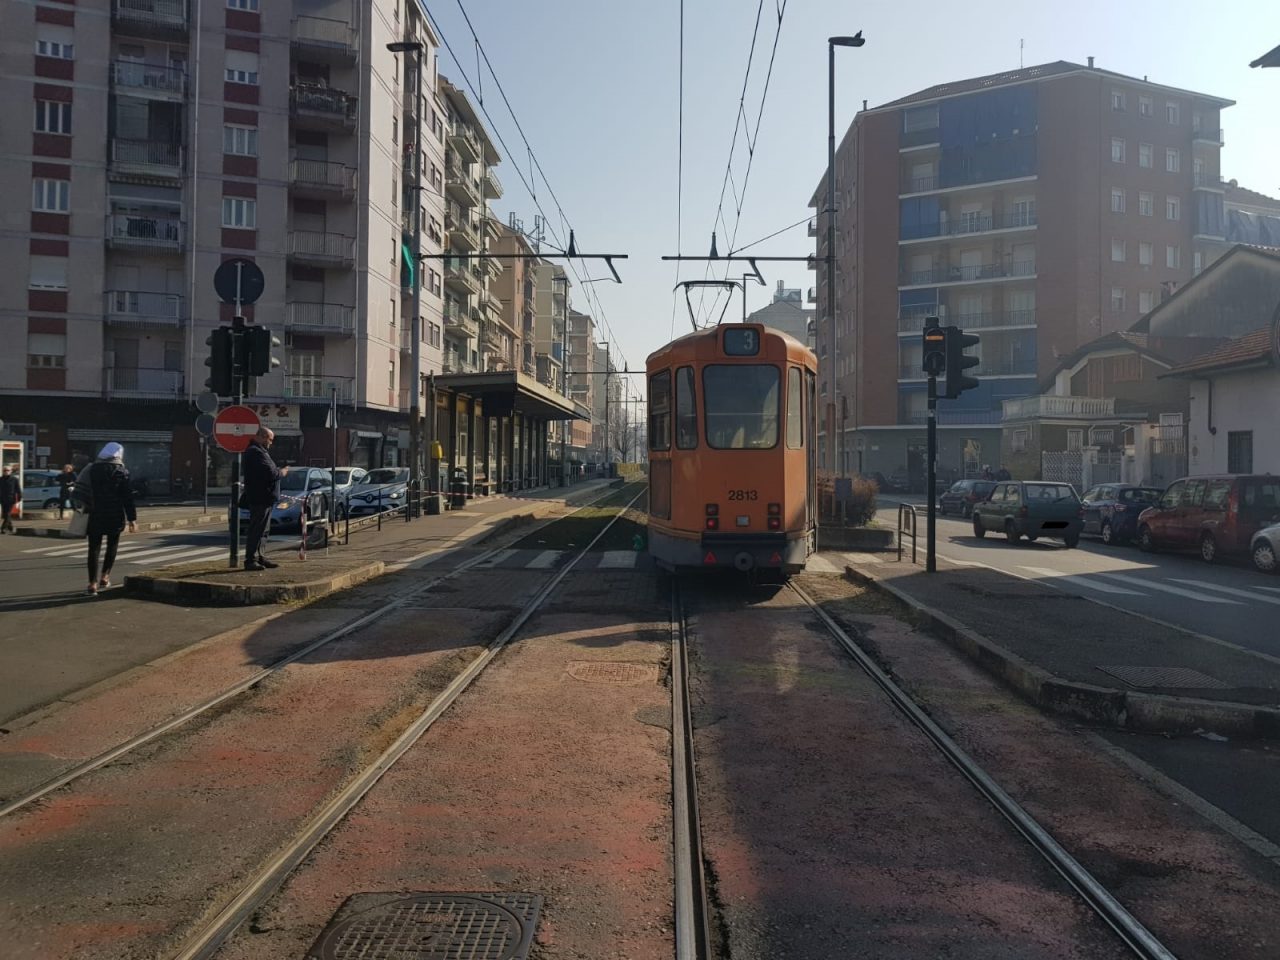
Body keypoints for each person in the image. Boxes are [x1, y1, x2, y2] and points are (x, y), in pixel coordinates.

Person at [79, 443, 137, 594]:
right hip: (115, 514)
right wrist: (132, 519)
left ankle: (92, 583)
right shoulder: (122, 471)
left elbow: (80, 490)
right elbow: (128, 497)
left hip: (95, 513)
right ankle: (105, 576)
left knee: (93, 548)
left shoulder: (91, 469)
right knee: (112, 545)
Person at [242, 427, 285, 571]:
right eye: (270, 439)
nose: (270, 443)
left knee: (263, 530)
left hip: (265, 497)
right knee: (257, 529)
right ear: (261, 437)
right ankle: (250, 560)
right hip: (259, 497)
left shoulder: (260, 452)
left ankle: (261, 556)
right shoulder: (255, 452)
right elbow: (271, 473)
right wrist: (282, 472)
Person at [0, 465, 20, 534]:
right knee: (5, 515)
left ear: (11, 471)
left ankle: (3, 528)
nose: (6, 472)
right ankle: (11, 527)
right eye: (4, 470)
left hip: (11, 499)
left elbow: (18, 489)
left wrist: (19, 498)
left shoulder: (14, 479)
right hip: (2, 499)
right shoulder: (1, 479)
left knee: (8, 513)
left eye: (7, 470)